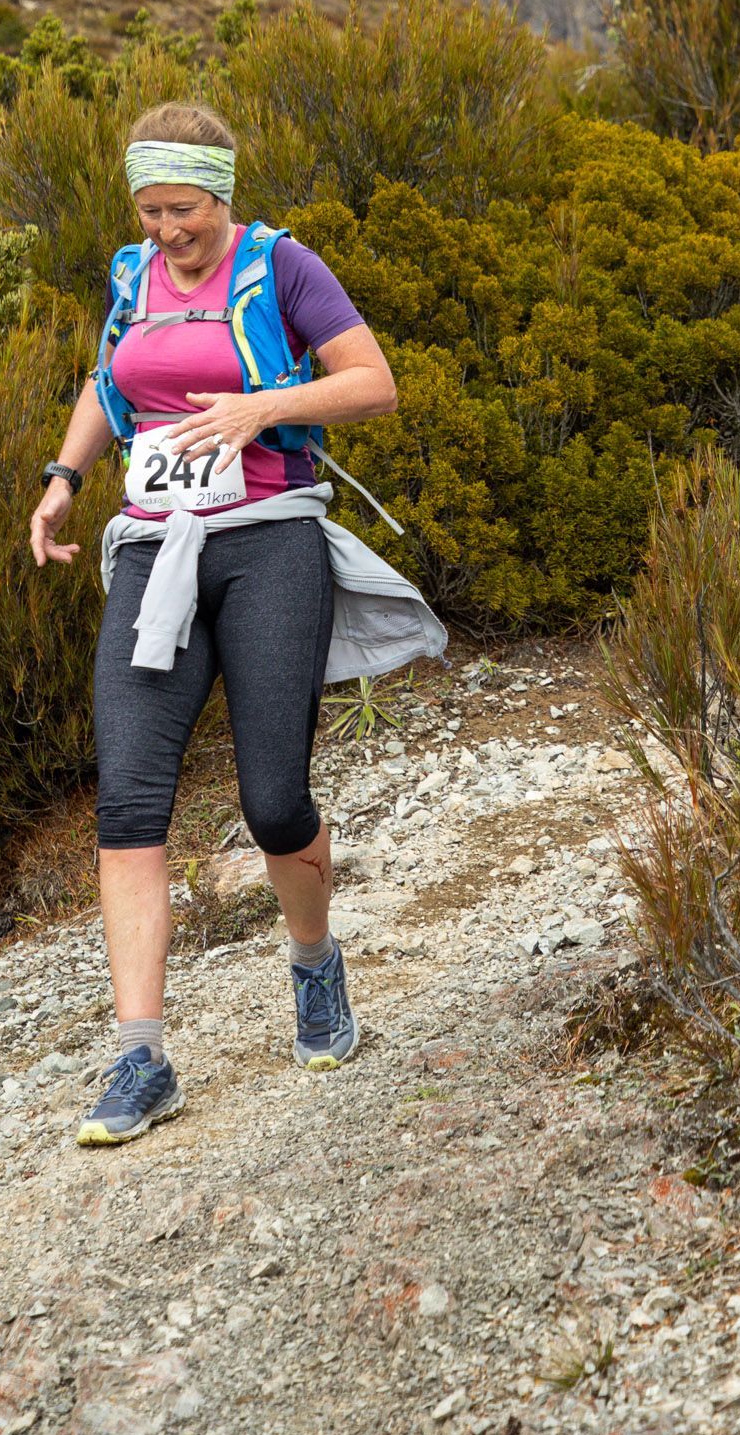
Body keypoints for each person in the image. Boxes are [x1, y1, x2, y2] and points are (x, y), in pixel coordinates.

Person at [29, 101, 444, 1146]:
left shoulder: (281, 265)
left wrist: (259, 409)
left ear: (223, 190)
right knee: (127, 798)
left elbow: (374, 384)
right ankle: (140, 1057)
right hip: (150, 547)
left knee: (272, 799)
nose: (168, 231)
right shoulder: (131, 275)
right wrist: (65, 478)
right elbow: (104, 375)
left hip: (268, 541)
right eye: (151, 210)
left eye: (186, 210)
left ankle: (314, 968)